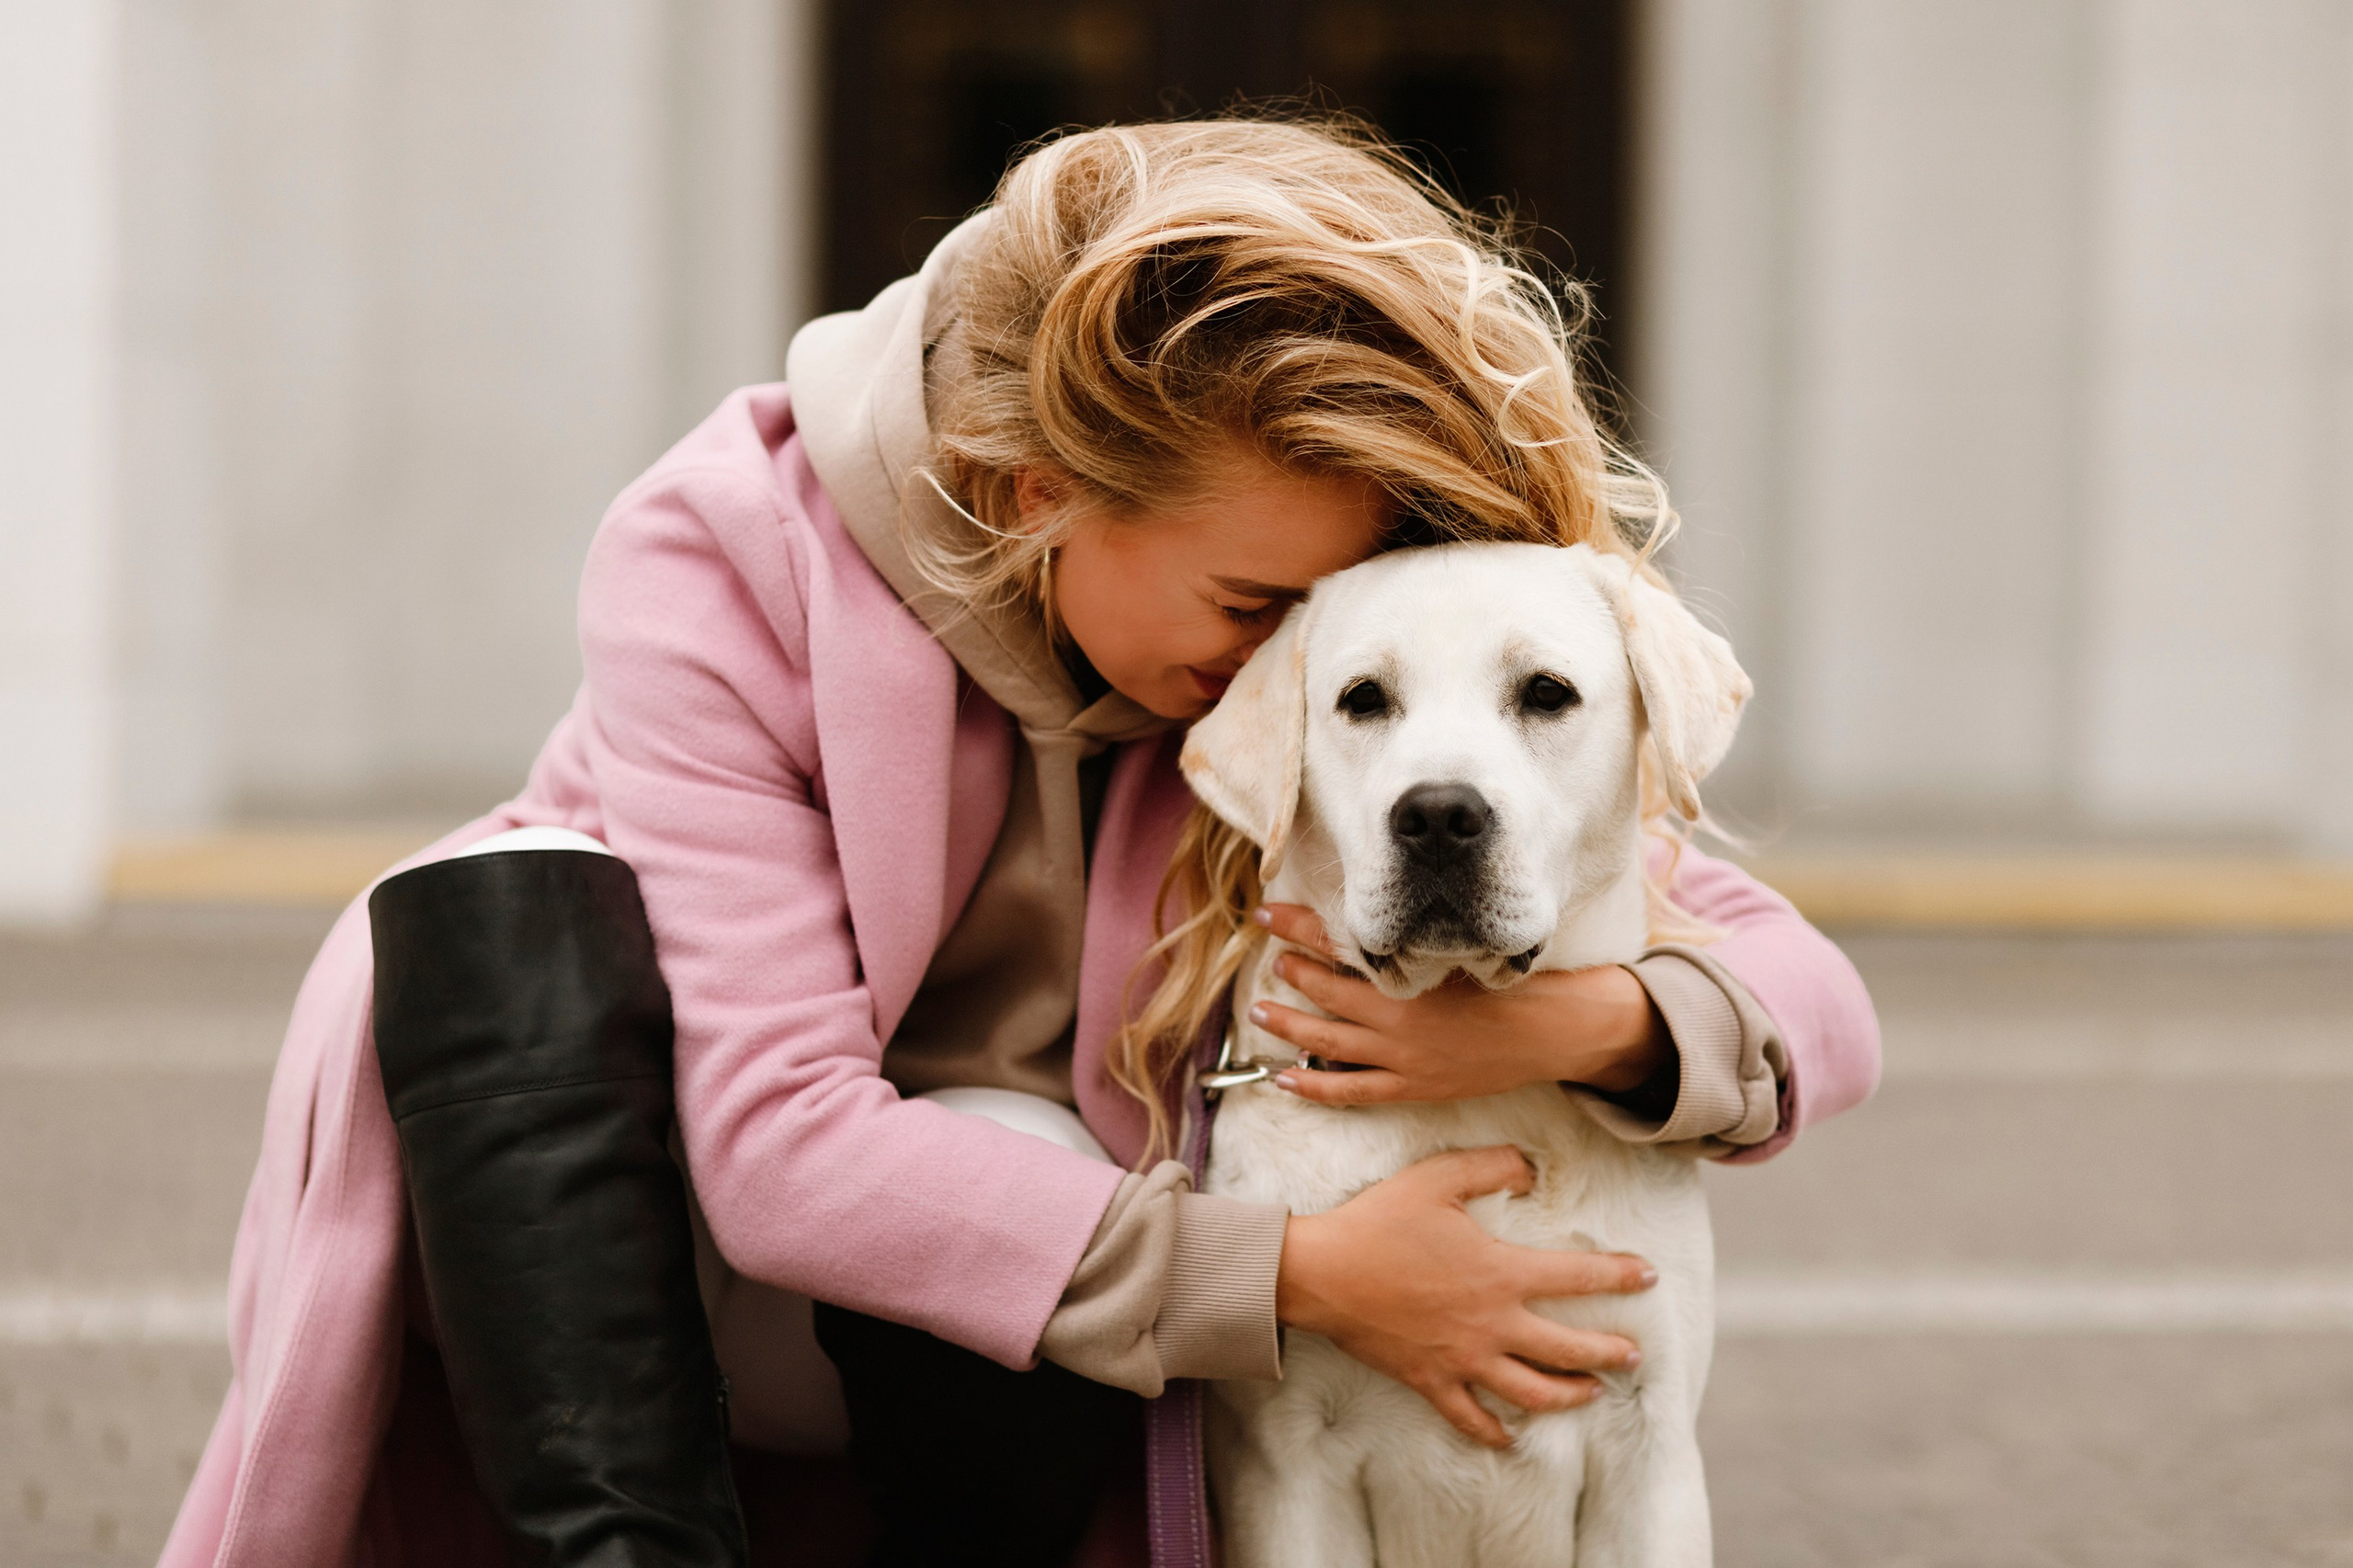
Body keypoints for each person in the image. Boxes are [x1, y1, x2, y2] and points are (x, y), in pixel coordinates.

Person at [162, 117, 1879, 1568]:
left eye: (1321, 614)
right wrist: (1295, 1274)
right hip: (664, 1235)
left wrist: (1590, 1020)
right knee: (504, 912)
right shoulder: (721, 552)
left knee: (1007, 1141)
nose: (1292, 659)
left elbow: (1790, 974)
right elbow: (777, 1148)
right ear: (1041, 489)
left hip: (1019, 1317)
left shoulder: (1301, 699)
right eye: (1254, 604)